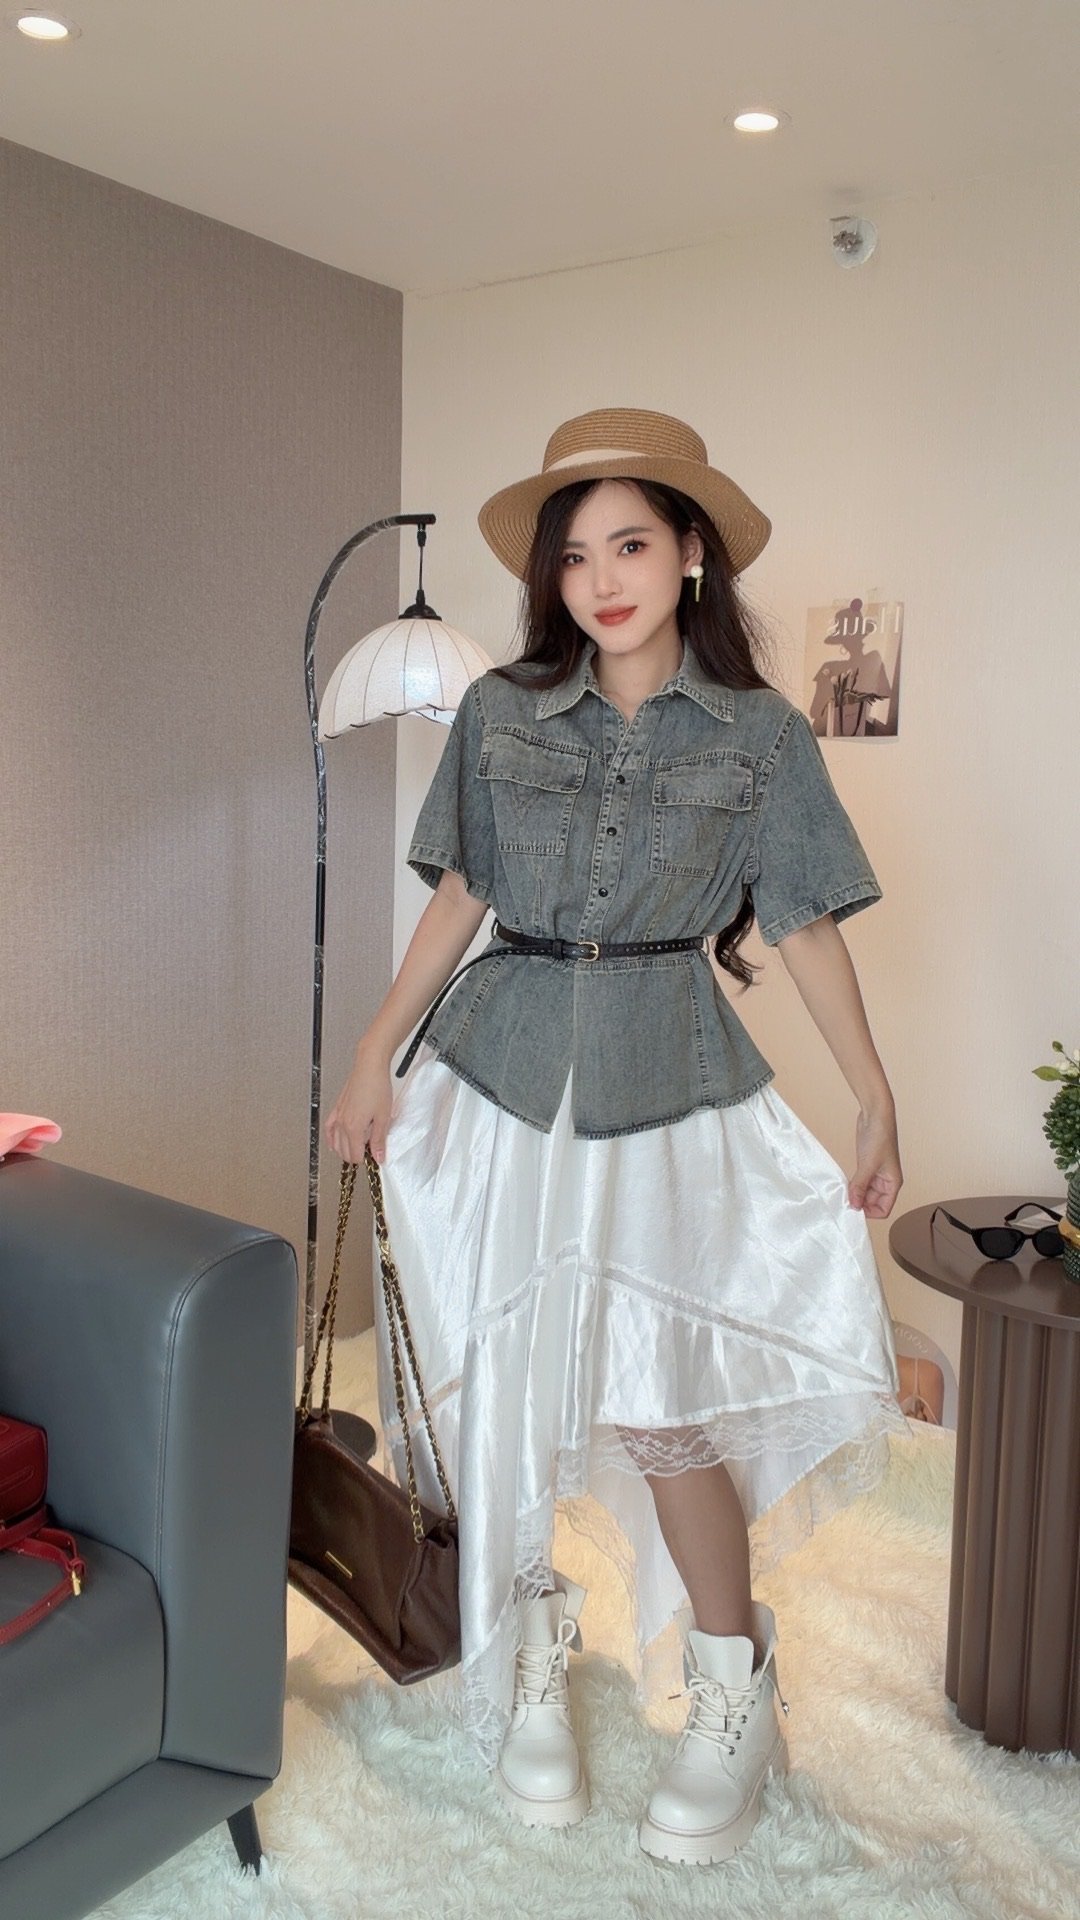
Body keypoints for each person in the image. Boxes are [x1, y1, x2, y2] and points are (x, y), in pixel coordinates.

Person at [326, 407, 907, 1868]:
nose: (601, 581)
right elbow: (461, 893)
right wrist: (374, 1050)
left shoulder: (762, 736)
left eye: (631, 544)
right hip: (499, 1072)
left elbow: (805, 923)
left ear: (691, 553)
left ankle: (733, 1684)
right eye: (575, 556)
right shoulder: (502, 711)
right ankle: (525, 1650)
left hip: (667, 1084)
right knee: (501, 1386)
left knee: (663, 1403)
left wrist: (873, 1092)